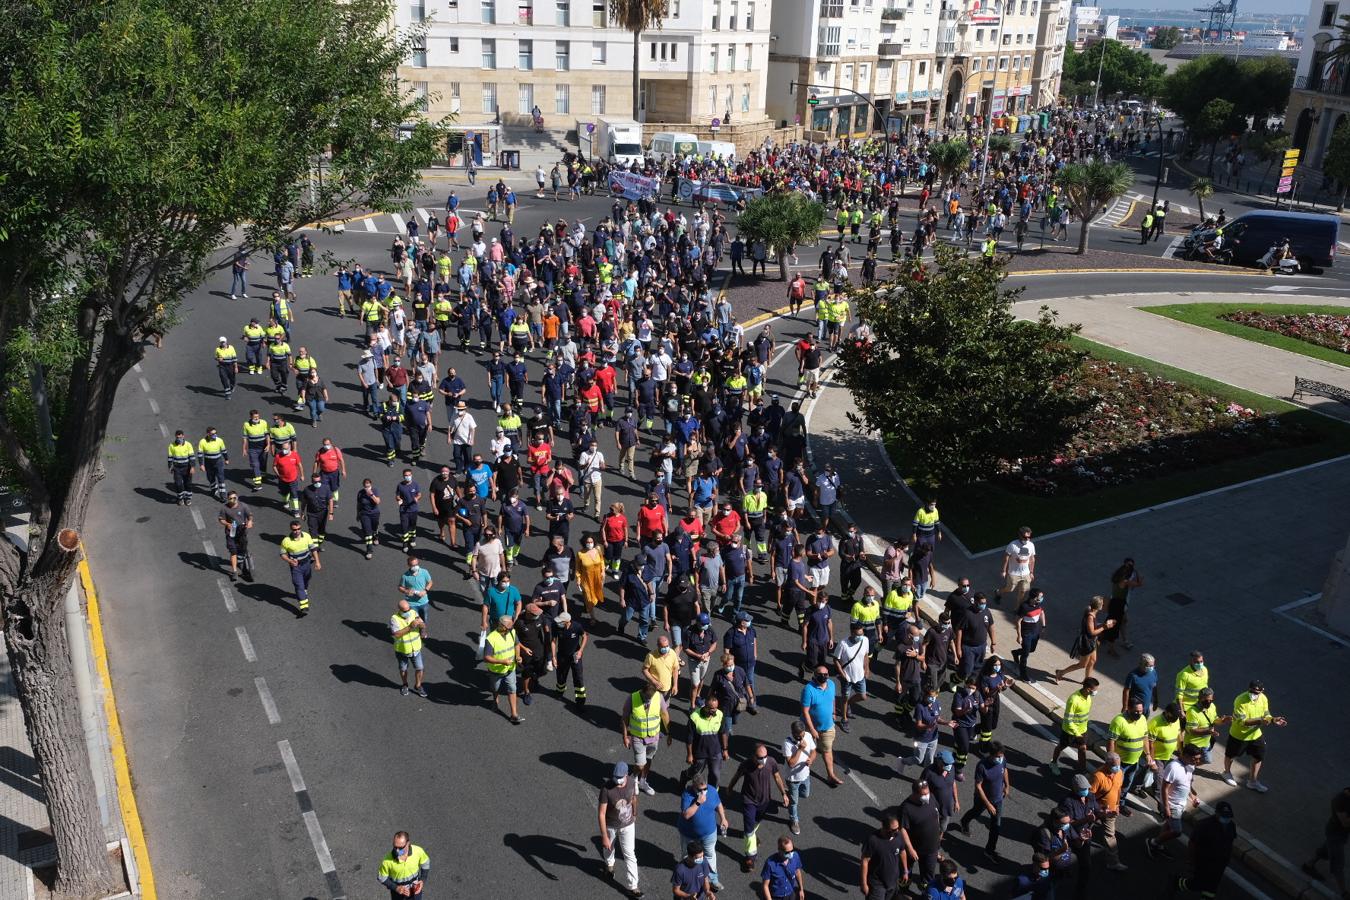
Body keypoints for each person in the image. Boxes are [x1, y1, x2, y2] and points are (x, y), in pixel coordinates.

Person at [727, 743, 790, 872]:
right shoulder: (746, 764)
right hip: (748, 800)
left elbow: (777, 777)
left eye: (765, 756)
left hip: (764, 801)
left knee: (756, 822)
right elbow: (737, 776)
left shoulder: (771, 762)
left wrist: (783, 793)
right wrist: (730, 787)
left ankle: (752, 836)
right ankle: (750, 856)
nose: (763, 759)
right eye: (760, 757)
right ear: (754, 756)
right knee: (749, 828)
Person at [1221, 679, 1286, 792]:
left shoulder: (1263, 699)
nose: (1253, 694)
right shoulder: (1240, 700)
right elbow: (1243, 722)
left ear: (1262, 691)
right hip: (1239, 735)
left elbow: (1266, 714)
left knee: (1259, 756)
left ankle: (1252, 781)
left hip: (1255, 735)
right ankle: (1226, 773)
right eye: (1251, 691)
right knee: (1231, 755)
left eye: (1256, 692)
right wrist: (1261, 720)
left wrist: (1273, 719)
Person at [1166, 802, 1236, 899]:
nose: (1226, 818)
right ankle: (1176, 883)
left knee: (1212, 887)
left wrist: (1227, 858)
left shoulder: (1231, 826)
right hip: (1204, 862)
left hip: (1220, 864)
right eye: (1224, 815)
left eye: (1228, 816)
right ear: (1217, 813)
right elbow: (1192, 844)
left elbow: (1230, 842)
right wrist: (1191, 861)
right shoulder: (1205, 825)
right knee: (1197, 884)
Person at [955, 742, 1010, 861]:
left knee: (996, 826)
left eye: (1002, 756)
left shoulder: (1002, 759)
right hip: (982, 799)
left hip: (998, 799)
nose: (1001, 758)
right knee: (976, 812)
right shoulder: (982, 766)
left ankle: (989, 851)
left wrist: (1007, 785)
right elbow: (978, 786)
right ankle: (964, 821)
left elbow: (1004, 770)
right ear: (992, 755)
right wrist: (988, 804)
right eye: (999, 756)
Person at [1147, 743, 1203, 859]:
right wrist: (1166, 807)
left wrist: (1192, 798)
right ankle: (1153, 842)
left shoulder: (1190, 766)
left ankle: (1158, 843)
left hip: (1181, 804)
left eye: (1198, 759)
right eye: (1195, 759)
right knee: (1177, 831)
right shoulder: (1173, 767)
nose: (1197, 762)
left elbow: (1186, 784)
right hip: (1172, 805)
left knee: (1168, 825)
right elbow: (1164, 788)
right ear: (1186, 755)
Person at [598, 762, 642, 899]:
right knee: (609, 848)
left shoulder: (631, 783)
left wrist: (634, 813)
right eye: (615, 777)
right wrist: (604, 836)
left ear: (626, 775)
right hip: (611, 825)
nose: (617, 780)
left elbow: (634, 798)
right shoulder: (606, 789)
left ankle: (633, 887)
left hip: (628, 825)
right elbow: (601, 813)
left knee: (630, 854)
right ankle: (609, 865)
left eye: (619, 777)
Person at [677, 775, 728, 892]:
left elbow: (718, 804)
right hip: (689, 835)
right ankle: (689, 880)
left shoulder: (712, 790)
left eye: (705, 789)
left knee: (710, 855)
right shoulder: (687, 795)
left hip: (709, 833)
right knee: (688, 857)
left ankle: (713, 880)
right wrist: (698, 802)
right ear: (693, 787)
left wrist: (723, 818)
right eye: (700, 790)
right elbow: (686, 815)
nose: (703, 792)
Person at [1052, 596, 1114, 685]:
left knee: (1092, 661)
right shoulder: (1090, 616)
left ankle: (1086, 681)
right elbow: (1092, 632)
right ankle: (1061, 672)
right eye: (1103, 604)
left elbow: (1093, 628)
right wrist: (1104, 627)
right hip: (1087, 643)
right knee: (1082, 665)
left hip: (1092, 642)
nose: (1104, 606)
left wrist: (1103, 625)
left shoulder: (1092, 613)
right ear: (1099, 606)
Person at [623, 683, 672, 795]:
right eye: (646, 697)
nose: (648, 700)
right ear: (642, 691)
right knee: (640, 764)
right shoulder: (632, 698)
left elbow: (665, 715)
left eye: (650, 698)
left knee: (649, 759)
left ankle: (643, 780)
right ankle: (634, 778)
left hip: (654, 737)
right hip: (638, 737)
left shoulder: (658, 697)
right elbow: (625, 717)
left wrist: (669, 733)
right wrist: (625, 736)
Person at [1302, 787, 1350, 899]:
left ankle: (1308, 865)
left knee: (1326, 849)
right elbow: (1345, 823)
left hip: (1341, 834)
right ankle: (1344, 893)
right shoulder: (1339, 800)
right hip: (1335, 833)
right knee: (1338, 863)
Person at [800, 665, 845, 786]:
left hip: (828, 726)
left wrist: (834, 712)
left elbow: (832, 699)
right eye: (821, 674)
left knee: (827, 750)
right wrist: (812, 730)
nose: (824, 676)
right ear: (815, 675)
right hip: (810, 728)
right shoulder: (808, 690)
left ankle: (830, 775)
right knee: (805, 750)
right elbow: (805, 711)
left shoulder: (831, 684)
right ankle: (801, 772)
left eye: (826, 674)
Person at [899, 778, 942, 889]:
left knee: (929, 874)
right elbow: (902, 829)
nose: (927, 796)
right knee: (906, 871)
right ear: (915, 793)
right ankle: (904, 890)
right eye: (923, 794)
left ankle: (925, 891)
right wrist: (910, 849)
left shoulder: (931, 797)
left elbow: (936, 814)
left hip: (932, 848)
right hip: (915, 848)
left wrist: (938, 837)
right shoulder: (906, 808)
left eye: (927, 792)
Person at [1089, 752, 1129, 872]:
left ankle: (1113, 862)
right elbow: (1090, 796)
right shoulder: (1098, 776)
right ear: (1106, 764)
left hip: (1110, 812)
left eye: (1118, 765)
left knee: (1110, 836)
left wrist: (1117, 805)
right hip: (1096, 810)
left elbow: (1118, 790)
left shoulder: (1120, 773)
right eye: (1114, 765)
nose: (1117, 768)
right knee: (1082, 828)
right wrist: (1098, 809)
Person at [484, 614, 523, 724]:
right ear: (501, 626)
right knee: (495, 688)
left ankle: (514, 714)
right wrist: (502, 661)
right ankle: (495, 699)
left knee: (512, 689)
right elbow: (486, 657)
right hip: (496, 671)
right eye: (509, 626)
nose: (511, 628)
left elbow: (516, 644)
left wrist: (518, 656)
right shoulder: (491, 638)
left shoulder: (512, 632)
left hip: (510, 669)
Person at [860, 809, 905, 900]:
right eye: (893, 830)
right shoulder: (873, 840)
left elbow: (902, 851)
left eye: (897, 828)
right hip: (877, 884)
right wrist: (864, 883)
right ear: (884, 827)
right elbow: (865, 861)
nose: (896, 832)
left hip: (892, 882)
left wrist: (906, 870)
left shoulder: (898, 836)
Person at [833, 621, 870, 732]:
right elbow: (836, 659)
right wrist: (842, 674)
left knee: (863, 696)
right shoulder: (843, 644)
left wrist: (867, 669)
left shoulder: (865, 640)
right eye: (858, 634)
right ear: (852, 632)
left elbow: (865, 655)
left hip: (860, 675)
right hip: (847, 677)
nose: (860, 637)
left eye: (861, 634)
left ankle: (847, 704)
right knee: (844, 698)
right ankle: (844, 719)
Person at [1101, 558, 1142, 656]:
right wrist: (1137, 572)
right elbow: (1140, 583)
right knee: (1114, 627)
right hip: (1119, 605)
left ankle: (1103, 637)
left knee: (1117, 621)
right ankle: (1111, 648)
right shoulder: (1125, 581)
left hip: (1114, 603)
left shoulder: (1116, 576)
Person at [781, 720, 815, 836]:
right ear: (793, 733)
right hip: (793, 779)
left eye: (802, 735)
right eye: (798, 736)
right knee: (794, 802)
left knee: (805, 794)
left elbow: (813, 751)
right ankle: (794, 820)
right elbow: (790, 763)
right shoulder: (787, 743)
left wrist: (811, 759)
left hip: (805, 775)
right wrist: (800, 749)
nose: (801, 737)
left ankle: (789, 795)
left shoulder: (808, 736)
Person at [687, 694, 729, 787]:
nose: (715, 710)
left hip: (715, 751)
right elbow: (689, 738)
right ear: (705, 707)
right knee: (695, 774)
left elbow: (723, 733)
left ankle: (712, 793)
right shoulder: (694, 717)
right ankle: (685, 776)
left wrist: (725, 750)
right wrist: (689, 755)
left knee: (715, 775)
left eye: (716, 708)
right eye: (712, 709)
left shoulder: (719, 714)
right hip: (699, 752)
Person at [390, 599, 428, 698]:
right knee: (403, 669)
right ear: (400, 610)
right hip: (402, 650)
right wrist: (410, 627)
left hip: (416, 649)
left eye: (408, 609)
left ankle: (418, 685)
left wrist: (422, 629)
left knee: (420, 668)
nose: (408, 612)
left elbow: (422, 624)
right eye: (405, 611)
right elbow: (396, 634)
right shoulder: (394, 619)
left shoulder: (413, 613)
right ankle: (405, 684)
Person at [279, 520, 319, 614]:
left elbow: (313, 549)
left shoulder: (307, 536)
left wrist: (317, 561)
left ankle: (304, 590)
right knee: (298, 585)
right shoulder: (286, 541)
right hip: (296, 567)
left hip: (307, 564)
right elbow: (282, 554)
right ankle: (304, 606)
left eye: (298, 529)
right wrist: (290, 561)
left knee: (306, 580)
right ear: (291, 529)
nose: (297, 531)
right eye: (294, 529)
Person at [377, 831, 430, 898]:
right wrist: (396, 888)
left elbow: (426, 863)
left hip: (415, 891)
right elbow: (382, 878)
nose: (397, 851)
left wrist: (422, 880)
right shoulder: (387, 860)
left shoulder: (418, 851)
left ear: (408, 843)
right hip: (398, 894)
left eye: (401, 847)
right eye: (395, 847)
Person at [217, 491, 254, 581]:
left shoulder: (243, 506)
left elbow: (250, 515)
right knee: (233, 551)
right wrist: (227, 524)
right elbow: (221, 519)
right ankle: (234, 572)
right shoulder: (224, 508)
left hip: (242, 530)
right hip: (232, 530)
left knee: (242, 549)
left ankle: (241, 562)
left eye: (235, 498)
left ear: (237, 498)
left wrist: (250, 521)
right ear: (228, 499)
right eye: (231, 498)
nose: (233, 500)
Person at [994, 525, 1035, 606]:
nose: (1027, 539)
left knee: (1023, 590)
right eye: (1025, 537)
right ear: (1020, 535)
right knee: (1010, 589)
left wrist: (1031, 572)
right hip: (1013, 573)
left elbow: (1032, 559)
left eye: (1029, 537)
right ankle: (998, 592)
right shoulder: (1012, 545)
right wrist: (1003, 571)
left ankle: (1017, 608)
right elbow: (1006, 558)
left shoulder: (1031, 545)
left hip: (1026, 573)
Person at [1012, 589, 1046, 680]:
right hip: (1026, 633)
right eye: (1040, 597)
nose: (1042, 598)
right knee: (1025, 654)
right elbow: (1018, 621)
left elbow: (1041, 612)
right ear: (1034, 598)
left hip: (1035, 632)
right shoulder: (1024, 607)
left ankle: (1015, 652)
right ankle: (1023, 674)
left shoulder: (1038, 604)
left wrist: (1043, 626)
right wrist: (1019, 636)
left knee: (1032, 649)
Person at [759, 835, 805, 900]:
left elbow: (797, 872)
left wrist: (801, 890)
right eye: (787, 852)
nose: (790, 854)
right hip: (776, 897)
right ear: (779, 850)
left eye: (792, 850)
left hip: (790, 894)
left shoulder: (795, 856)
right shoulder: (770, 863)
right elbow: (765, 885)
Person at [644, 634, 681, 701]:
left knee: (664, 707)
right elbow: (644, 670)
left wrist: (675, 685)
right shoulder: (651, 656)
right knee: (652, 707)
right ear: (658, 646)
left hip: (667, 688)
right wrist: (654, 681)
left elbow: (675, 669)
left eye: (667, 646)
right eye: (663, 647)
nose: (666, 648)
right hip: (653, 688)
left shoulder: (672, 653)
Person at [167, 429, 196, 506]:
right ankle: (180, 498)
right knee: (178, 484)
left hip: (187, 467)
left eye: (180, 437)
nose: (179, 438)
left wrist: (192, 467)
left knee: (188, 484)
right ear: (175, 437)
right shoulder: (171, 445)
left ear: (183, 436)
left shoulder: (188, 445)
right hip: (177, 468)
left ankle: (188, 498)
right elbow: (170, 457)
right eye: (177, 437)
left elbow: (192, 457)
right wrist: (170, 467)